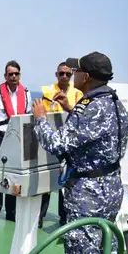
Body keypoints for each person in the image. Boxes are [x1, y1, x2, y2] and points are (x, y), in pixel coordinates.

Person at [31, 51, 128, 254]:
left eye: (76, 73)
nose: (73, 76)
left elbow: (59, 144)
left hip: (87, 192)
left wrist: (40, 121)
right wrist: (70, 109)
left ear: (85, 76)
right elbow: (99, 136)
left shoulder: (90, 107)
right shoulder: (114, 103)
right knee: (104, 253)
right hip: (110, 187)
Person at [0, 60, 31, 227]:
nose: (13, 76)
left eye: (16, 74)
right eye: (10, 74)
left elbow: (26, 116)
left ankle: (11, 212)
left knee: (14, 175)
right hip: (0, 137)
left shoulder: (25, 93)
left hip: (17, 141)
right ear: (5, 76)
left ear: (19, 75)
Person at [39, 62, 84, 228]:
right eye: (61, 74)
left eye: (67, 74)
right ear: (56, 74)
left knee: (66, 182)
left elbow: (81, 117)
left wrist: (68, 107)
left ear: (71, 76)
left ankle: (63, 218)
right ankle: (40, 217)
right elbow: (42, 116)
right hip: (51, 141)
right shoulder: (48, 92)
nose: (64, 76)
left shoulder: (79, 94)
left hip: (69, 144)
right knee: (46, 180)